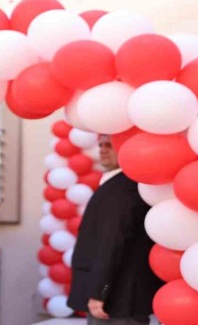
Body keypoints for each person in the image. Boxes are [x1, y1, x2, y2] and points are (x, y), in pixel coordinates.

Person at [67, 135, 162, 325]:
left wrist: (99, 292)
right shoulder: (120, 185)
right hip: (118, 300)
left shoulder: (122, 189)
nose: (103, 149)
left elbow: (110, 244)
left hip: (117, 302)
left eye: (109, 145)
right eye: (101, 145)